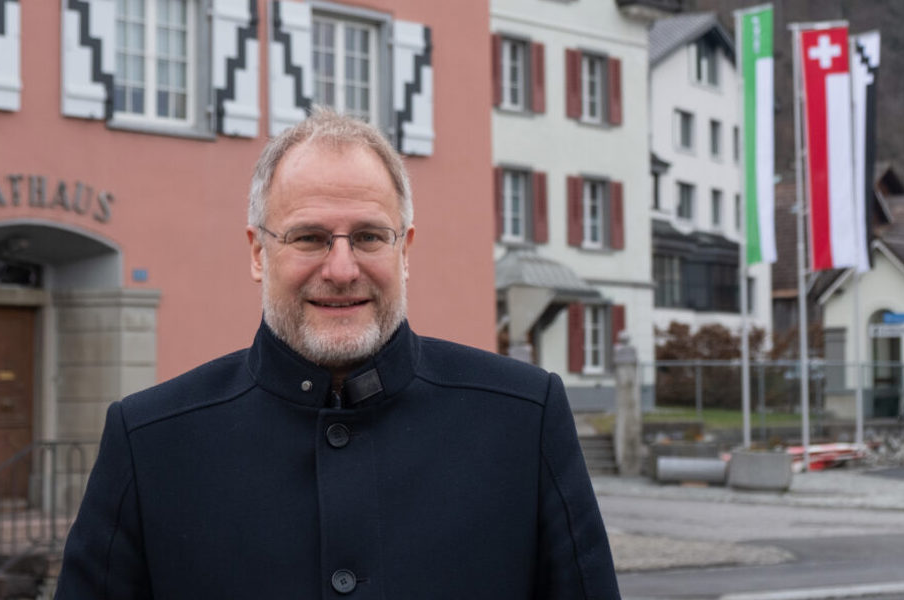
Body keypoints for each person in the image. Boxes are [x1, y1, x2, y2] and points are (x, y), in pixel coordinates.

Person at [55, 108, 620, 599]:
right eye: (309, 238)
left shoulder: (522, 418)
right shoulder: (150, 440)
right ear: (258, 252)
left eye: (370, 237)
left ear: (406, 251)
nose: (343, 269)